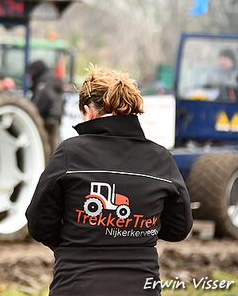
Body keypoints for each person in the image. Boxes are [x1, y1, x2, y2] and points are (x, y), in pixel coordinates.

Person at [26, 65, 193, 296]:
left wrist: (79, 235)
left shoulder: (69, 153)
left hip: (76, 286)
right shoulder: (161, 158)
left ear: (88, 111)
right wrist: (136, 230)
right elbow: (179, 228)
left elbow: (39, 225)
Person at [27, 60, 65, 149]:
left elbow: (38, 107)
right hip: (53, 123)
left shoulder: (44, 85)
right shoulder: (51, 82)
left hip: (47, 125)